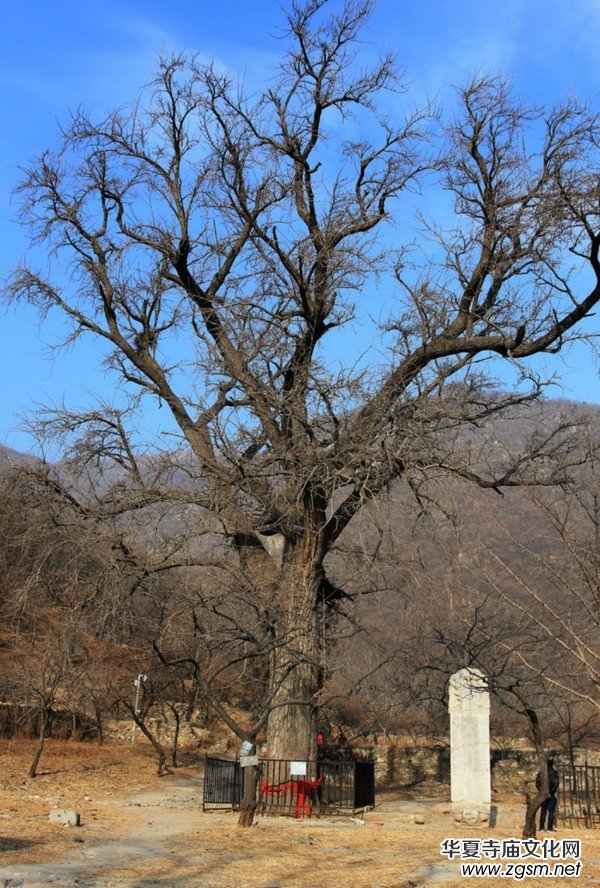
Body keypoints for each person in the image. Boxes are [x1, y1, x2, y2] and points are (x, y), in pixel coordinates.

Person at [536, 758, 559, 831]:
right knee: (551, 812)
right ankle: (550, 828)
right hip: (552, 795)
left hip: (543, 795)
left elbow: (537, 784)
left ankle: (542, 827)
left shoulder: (542, 773)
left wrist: (542, 792)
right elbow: (556, 784)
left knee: (543, 811)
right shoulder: (554, 773)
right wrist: (551, 792)